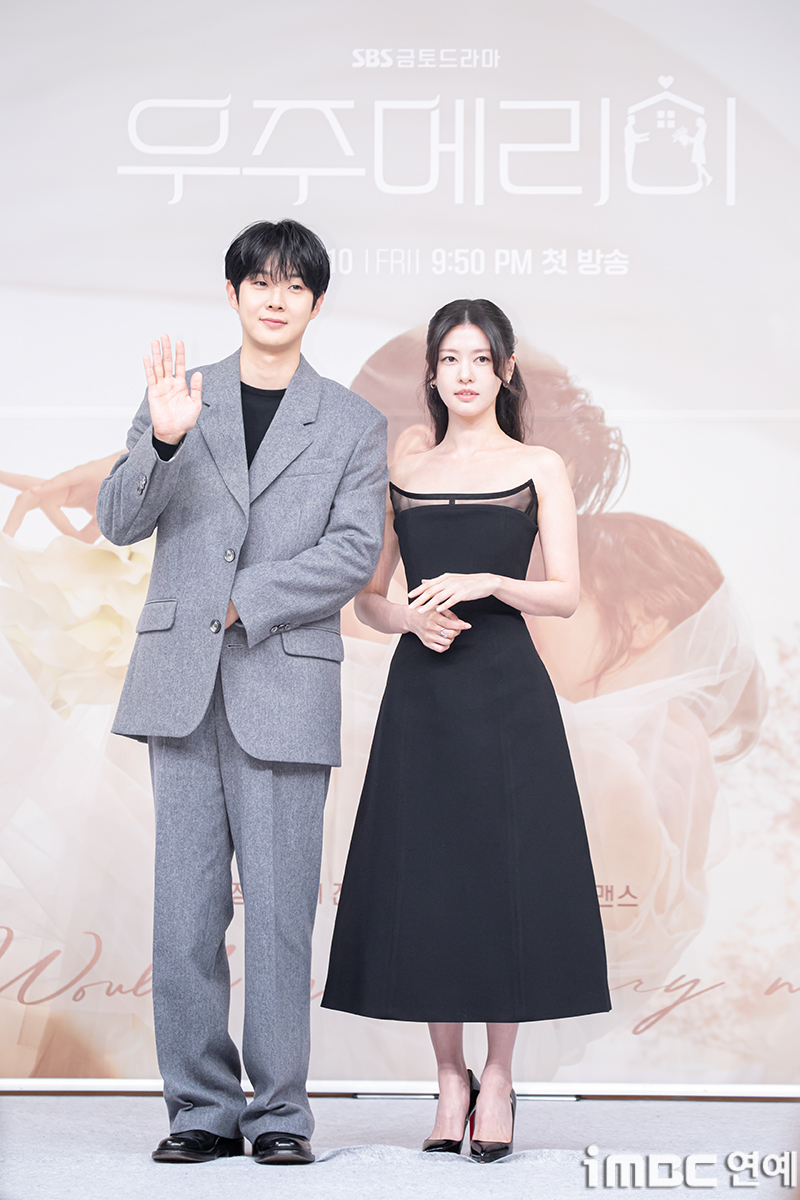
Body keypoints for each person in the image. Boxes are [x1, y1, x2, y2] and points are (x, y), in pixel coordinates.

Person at [95, 219, 388, 1165]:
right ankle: (199, 1109)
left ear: (315, 303)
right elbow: (117, 521)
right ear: (232, 294)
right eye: (259, 281)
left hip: (285, 687)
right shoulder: (179, 398)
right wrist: (164, 441)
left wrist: (242, 601)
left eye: (294, 285)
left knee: (280, 915)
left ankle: (280, 1115)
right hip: (178, 689)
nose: (275, 297)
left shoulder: (351, 422)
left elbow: (353, 551)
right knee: (184, 913)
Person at [321, 298, 610, 1162]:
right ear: (433, 373)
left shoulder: (538, 466)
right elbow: (368, 599)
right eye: (451, 358)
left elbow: (566, 593)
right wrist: (407, 618)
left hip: (507, 693)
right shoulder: (404, 470)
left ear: (505, 370)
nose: (466, 373)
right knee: (430, 883)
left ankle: (501, 1078)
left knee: (502, 882)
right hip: (424, 693)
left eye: (481, 358)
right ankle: (449, 1079)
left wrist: (490, 582)